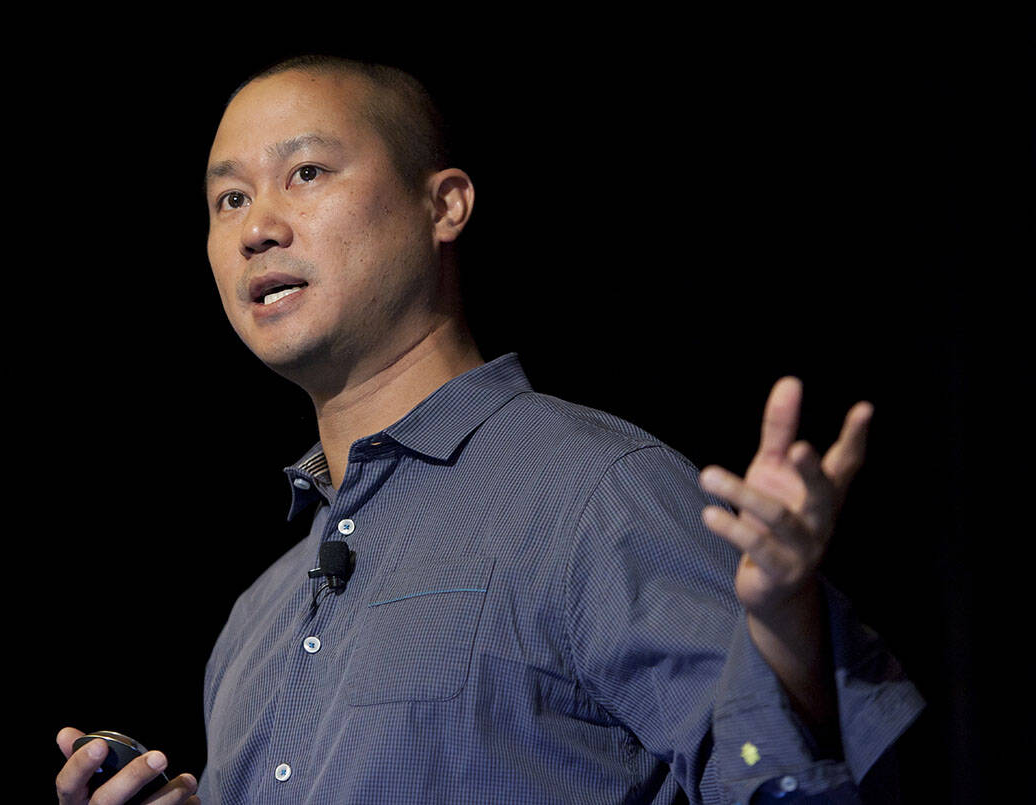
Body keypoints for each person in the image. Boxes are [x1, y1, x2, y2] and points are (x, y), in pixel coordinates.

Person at [55, 55, 923, 804]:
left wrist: (784, 634)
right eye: (229, 197)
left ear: (446, 206)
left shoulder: (593, 490)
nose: (257, 228)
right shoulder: (256, 622)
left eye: (307, 173)